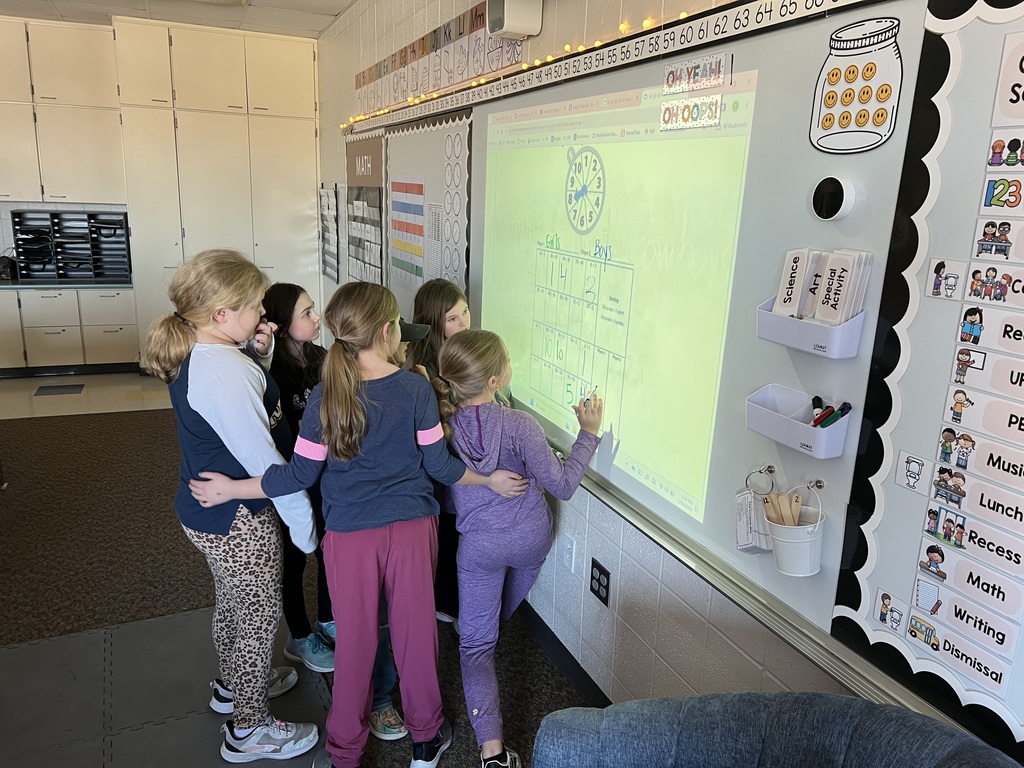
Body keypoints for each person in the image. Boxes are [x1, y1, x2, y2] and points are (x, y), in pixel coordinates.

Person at [187, 282, 528, 768]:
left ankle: (345, 752)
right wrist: (489, 479)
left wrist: (232, 489)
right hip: (412, 532)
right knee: (415, 636)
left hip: (348, 537)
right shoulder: (415, 388)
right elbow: (442, 468)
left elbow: (298, 474)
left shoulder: (328, 393)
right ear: (389, 333)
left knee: (356, 643)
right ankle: (426, 741)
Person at [140, 250, 319, 764]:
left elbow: (236, 411)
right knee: (258, 619)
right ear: (221, 314)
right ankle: (250, 727)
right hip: (237, 520)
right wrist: (306, 531)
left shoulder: (200, 351)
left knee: (236, 608)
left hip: (205, 510)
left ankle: (235, 686)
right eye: (256, 308)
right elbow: (268, 465)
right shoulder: (224, 372)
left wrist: (255, 358)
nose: (264, 317)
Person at [433, 329, 604, 768]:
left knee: (474, 646)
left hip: (477, 549)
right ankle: (488, 623)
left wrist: (479, 500)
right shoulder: (519, 425)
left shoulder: (443, 432)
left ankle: (492, 752)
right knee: (494, 617)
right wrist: (588, 433)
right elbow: (563, 485)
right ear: (494, 381)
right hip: (531, 541)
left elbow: (448, 499)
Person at [263, 283, 408, 740]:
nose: (315, 321)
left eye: (316, 311)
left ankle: (369, 699)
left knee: (365, 613)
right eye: (306, 312)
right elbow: (298, 464)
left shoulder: (330, 362)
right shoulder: (281, 374)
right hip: (323, 498)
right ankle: (312, 637)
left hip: (342, 507)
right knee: (305, 562)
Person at [407, 279, 473, 627]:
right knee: (446, 541)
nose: (464, 323)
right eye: (453, 318)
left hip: (454, 478)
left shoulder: (462, 355)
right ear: (433, 323)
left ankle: (447, 602)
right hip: (437, 480)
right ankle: (443, 604)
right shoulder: (422, 371)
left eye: (465, 313)